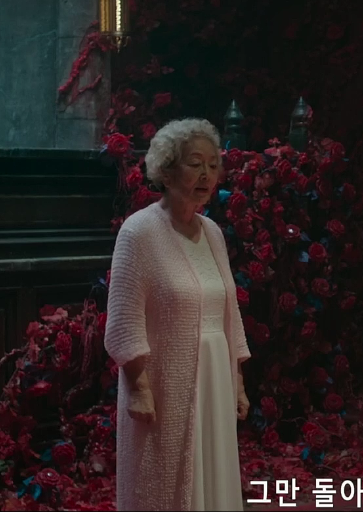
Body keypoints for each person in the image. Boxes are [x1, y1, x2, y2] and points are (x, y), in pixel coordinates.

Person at [104, 118, 252, 511]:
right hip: (165, 383)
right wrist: (139, 387)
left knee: (213, 476)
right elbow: (123, 319)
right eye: (195, 163)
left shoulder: (213, 232)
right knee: (163, 480)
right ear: (167, 171)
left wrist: (237, 381)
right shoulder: (139, 232)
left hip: (214, 375)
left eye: (213, 165)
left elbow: (228, 310)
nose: (206, 174)